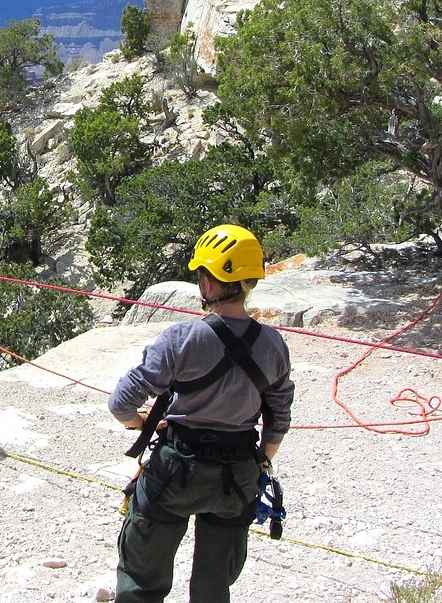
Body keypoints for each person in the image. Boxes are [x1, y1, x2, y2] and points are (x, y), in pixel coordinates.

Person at [108, 224, 294, 603]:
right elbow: (278, 418)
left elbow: (120, 403)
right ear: (249, 282)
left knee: (142, 577)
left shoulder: (180, 339)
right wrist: (261, 461)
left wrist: (140, 424)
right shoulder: (274, 344)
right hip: (237, 474)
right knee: (214, 586)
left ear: (208, 283)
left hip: (176, 469)